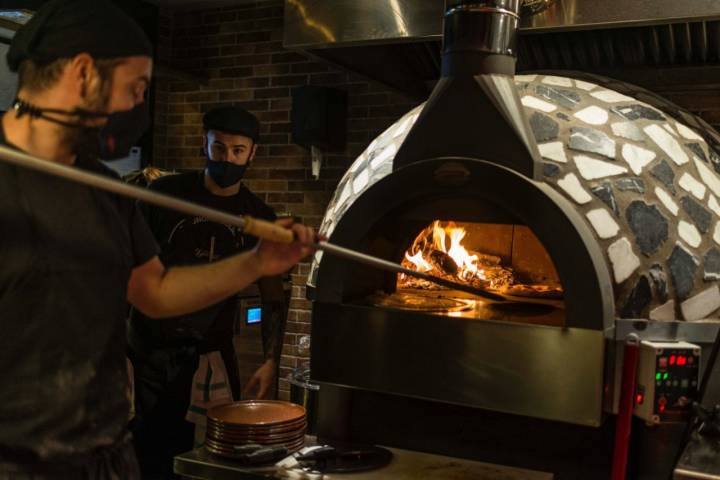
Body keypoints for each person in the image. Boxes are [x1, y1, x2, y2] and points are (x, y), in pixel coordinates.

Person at [0, 1, 314, 479]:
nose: (138, 109)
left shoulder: (104, 189)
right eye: (137, 88)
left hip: (101, 454)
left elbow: (156, 290)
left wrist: (257, 262)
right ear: (85, 72)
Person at [128, 106, 289, 477]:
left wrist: (270, 361)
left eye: (237, 151)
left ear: (252, 153)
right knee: (146, 452)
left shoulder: (259, 216)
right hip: (149, 347)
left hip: (211, 351)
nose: (227, 159)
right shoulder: (164, 195)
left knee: (210, 453)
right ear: (205, 144)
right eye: (219, 148)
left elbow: (272, 295)